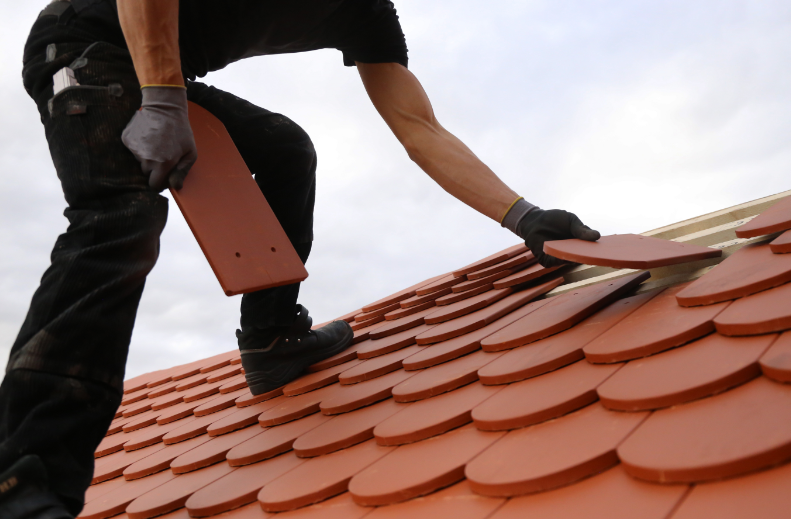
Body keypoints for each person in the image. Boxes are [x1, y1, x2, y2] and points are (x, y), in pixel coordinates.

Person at [0, 0, 600, 517]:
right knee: (119, 219)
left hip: (155, 68)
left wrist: (524, 216)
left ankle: (271, 338)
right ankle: (23, 476)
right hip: (85, 43)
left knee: (284, 148)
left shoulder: (368, 15)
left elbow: (420, 128)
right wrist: (161, 98)